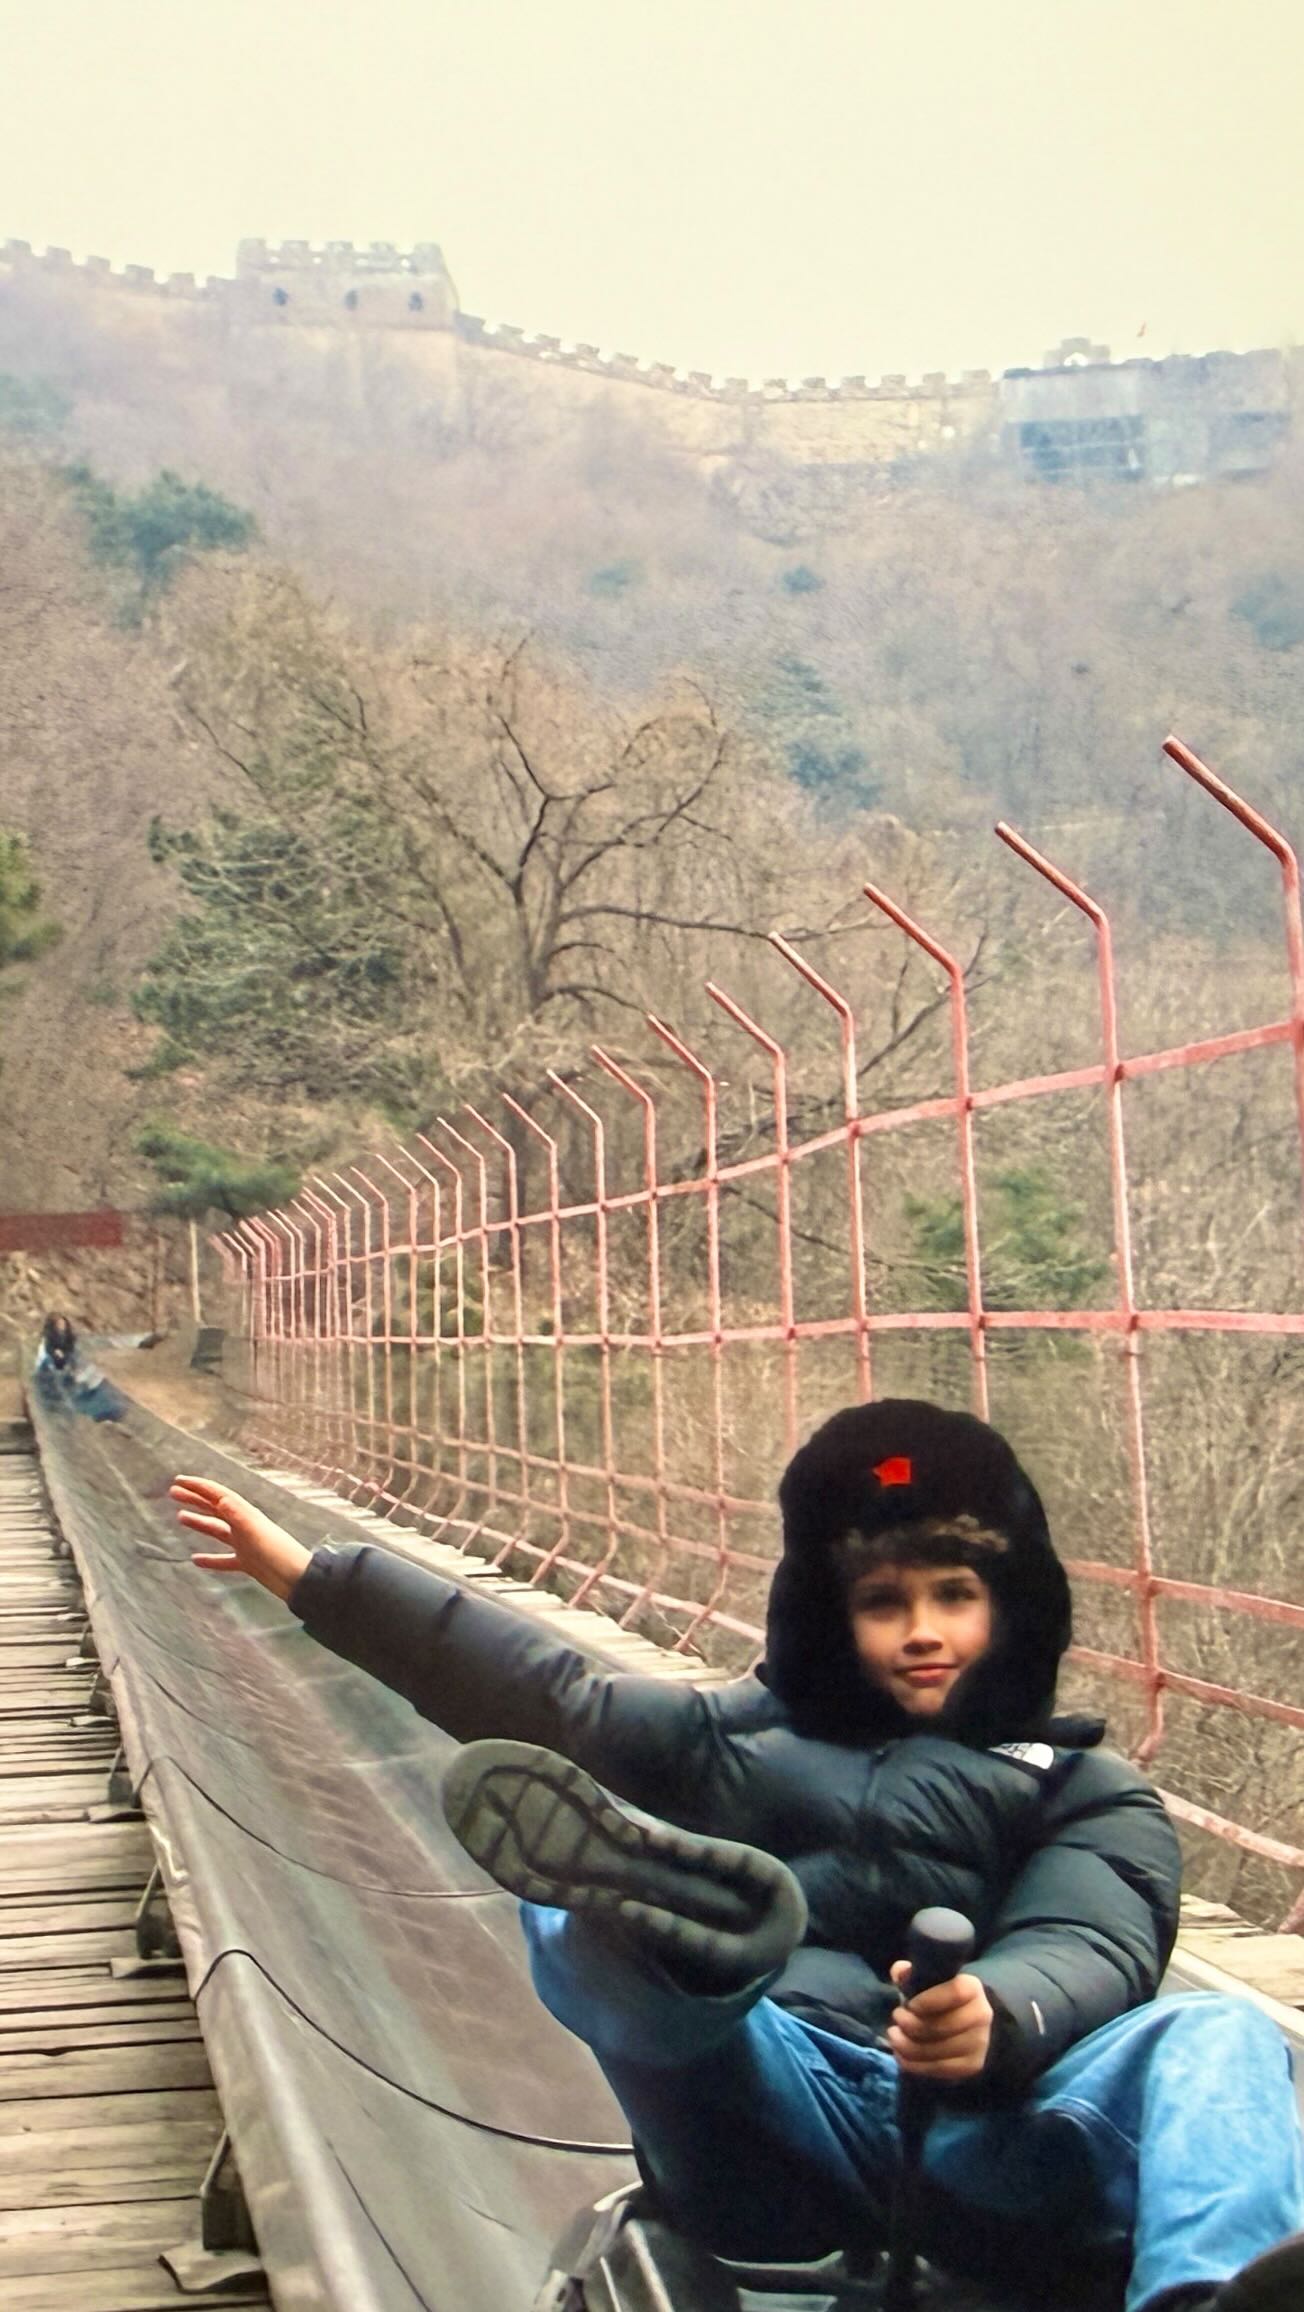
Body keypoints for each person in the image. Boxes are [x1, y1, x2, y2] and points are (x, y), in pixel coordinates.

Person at [171, 1399, 1304, 2312]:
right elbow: (544, 1695)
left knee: (1218, 2033)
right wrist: (318, 1579)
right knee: (575, 1908)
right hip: (774, 2105)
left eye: (955, 1596)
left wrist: (999, 2011)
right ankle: (675, 1932)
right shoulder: (732, 1740)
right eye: (885, 1602)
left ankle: (1215, 2292)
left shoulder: (1084, 1788)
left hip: (995, 2132)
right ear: (832, 1617)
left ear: (1010, 1609)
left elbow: (1089, 1934)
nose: (923, 1629)